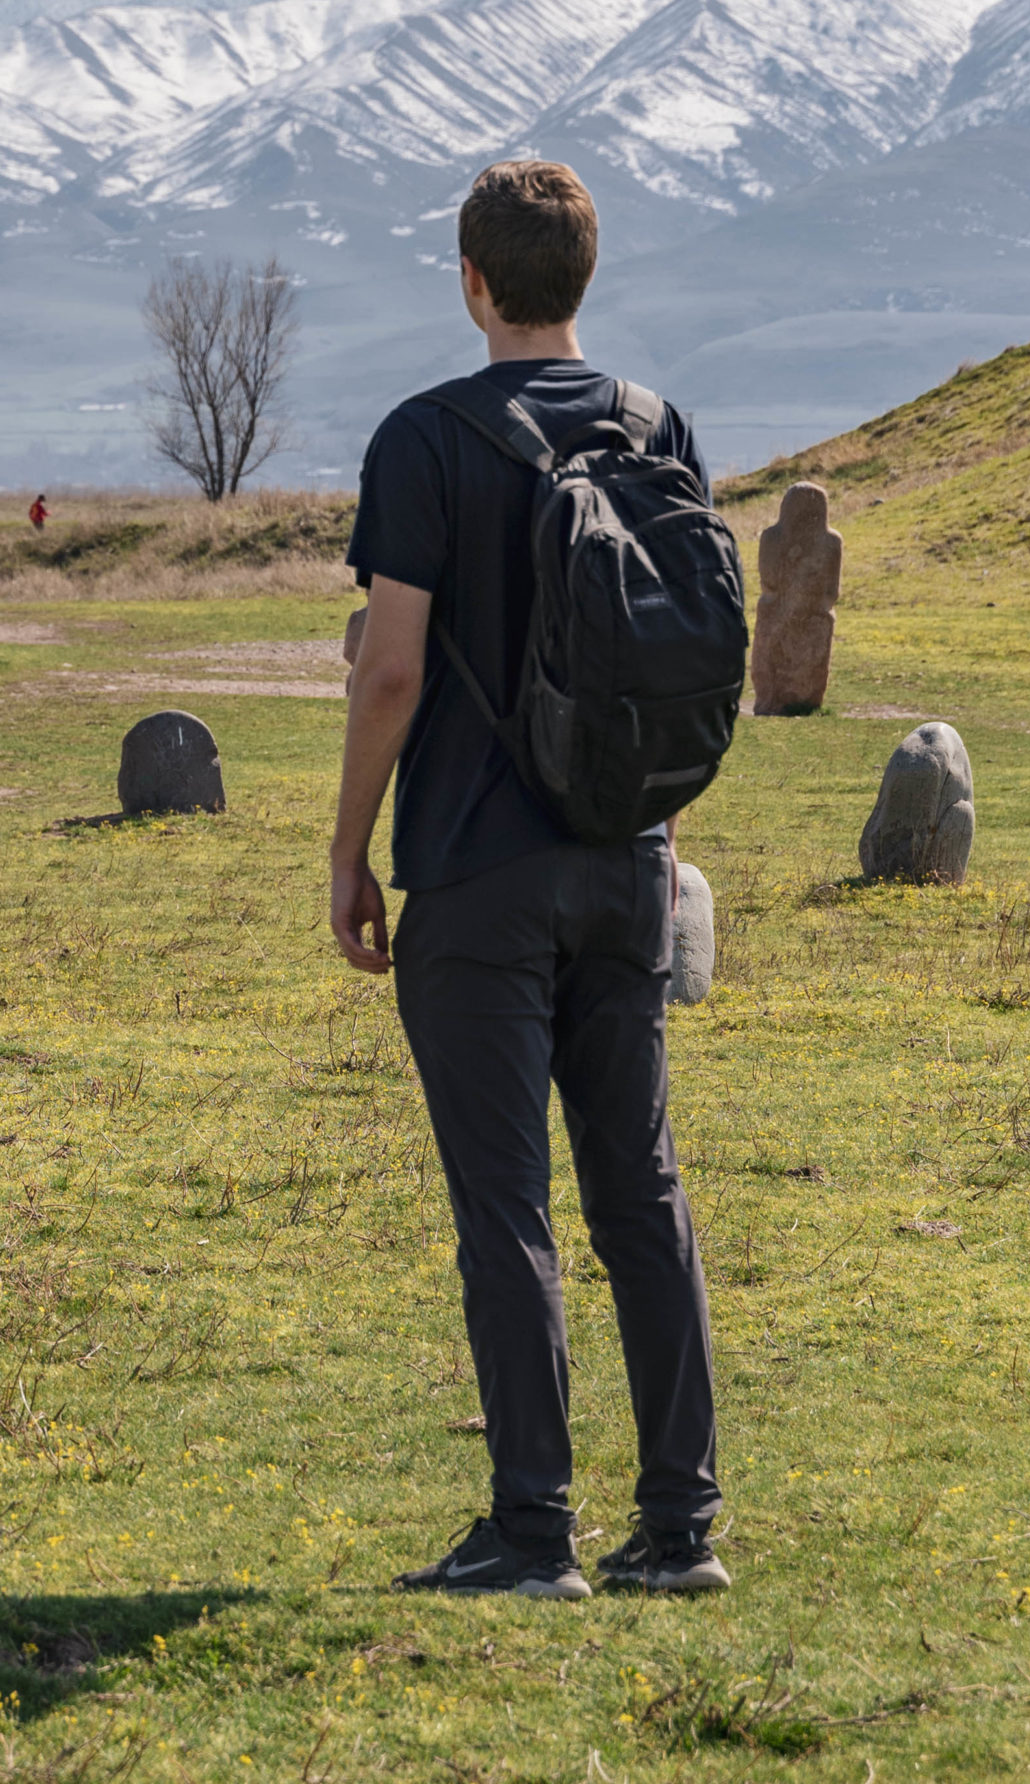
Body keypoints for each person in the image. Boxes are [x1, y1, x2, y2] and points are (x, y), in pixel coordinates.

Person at [330, 158, 727, 1604]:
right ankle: (682, 1527)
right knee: (645, 1196)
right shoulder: (656, 425)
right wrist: (666, 846)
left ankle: (531, 1530)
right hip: (627, 858)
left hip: (476, 874)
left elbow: (389, 669)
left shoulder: (424, 441)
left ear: (473, 282)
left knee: (508, 1208)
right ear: (584, 279)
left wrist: (349, 848)